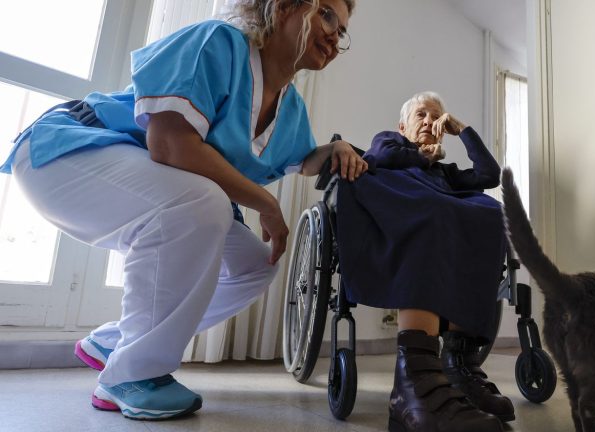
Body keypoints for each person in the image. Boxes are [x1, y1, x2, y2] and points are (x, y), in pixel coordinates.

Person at [0, 0, 366, 421]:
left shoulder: (291, 108)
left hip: (136, 176)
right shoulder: (219, 43)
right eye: (327, 15)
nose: (335, 35)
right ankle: (131, 375)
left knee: (257, 263)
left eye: (342, 29)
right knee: (204, 200)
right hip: (67, 149)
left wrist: (337, 147)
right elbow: (170, 143)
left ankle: (115, 343)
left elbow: (304, 158)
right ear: (283, 7)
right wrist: (265, 203)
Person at [336, 91, 514, 432]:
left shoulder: (444, 173)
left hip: (438, 207)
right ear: (403, 125)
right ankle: (415, 380)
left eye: (437, 118)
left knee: (490, 212)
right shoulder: (390, 141)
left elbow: (489, 175)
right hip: (395, 209)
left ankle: (459, 365)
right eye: (422, 115)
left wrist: (462, 131)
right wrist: (419, 154)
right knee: (437, 211)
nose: (430, 122)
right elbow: (382, 156)